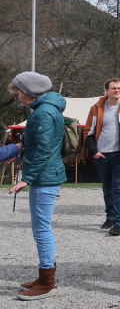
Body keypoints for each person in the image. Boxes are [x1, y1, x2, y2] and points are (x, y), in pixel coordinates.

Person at [7, 72, 66, 300]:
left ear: (28, 93)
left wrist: (27, 177)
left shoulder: (42, 113)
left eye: (18, 94)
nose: (17, 99)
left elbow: (44, 150)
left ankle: (48, 283)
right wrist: (19, 147)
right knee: (41, 229)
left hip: (44, 177)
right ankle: (44, 277)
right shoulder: (46, 109)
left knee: (41, 230)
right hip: (45, 175)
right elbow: (40, 144)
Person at [84, 79, 120, 236]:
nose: (117, 90)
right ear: (106, 91)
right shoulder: (96, 108)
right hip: (102, 154)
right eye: (114, 88)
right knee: (107, 188)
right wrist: (94, 151)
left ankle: (118, 222)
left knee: (119, 188)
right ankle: (110, 216)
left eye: (119, 88)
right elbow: (88, 133)